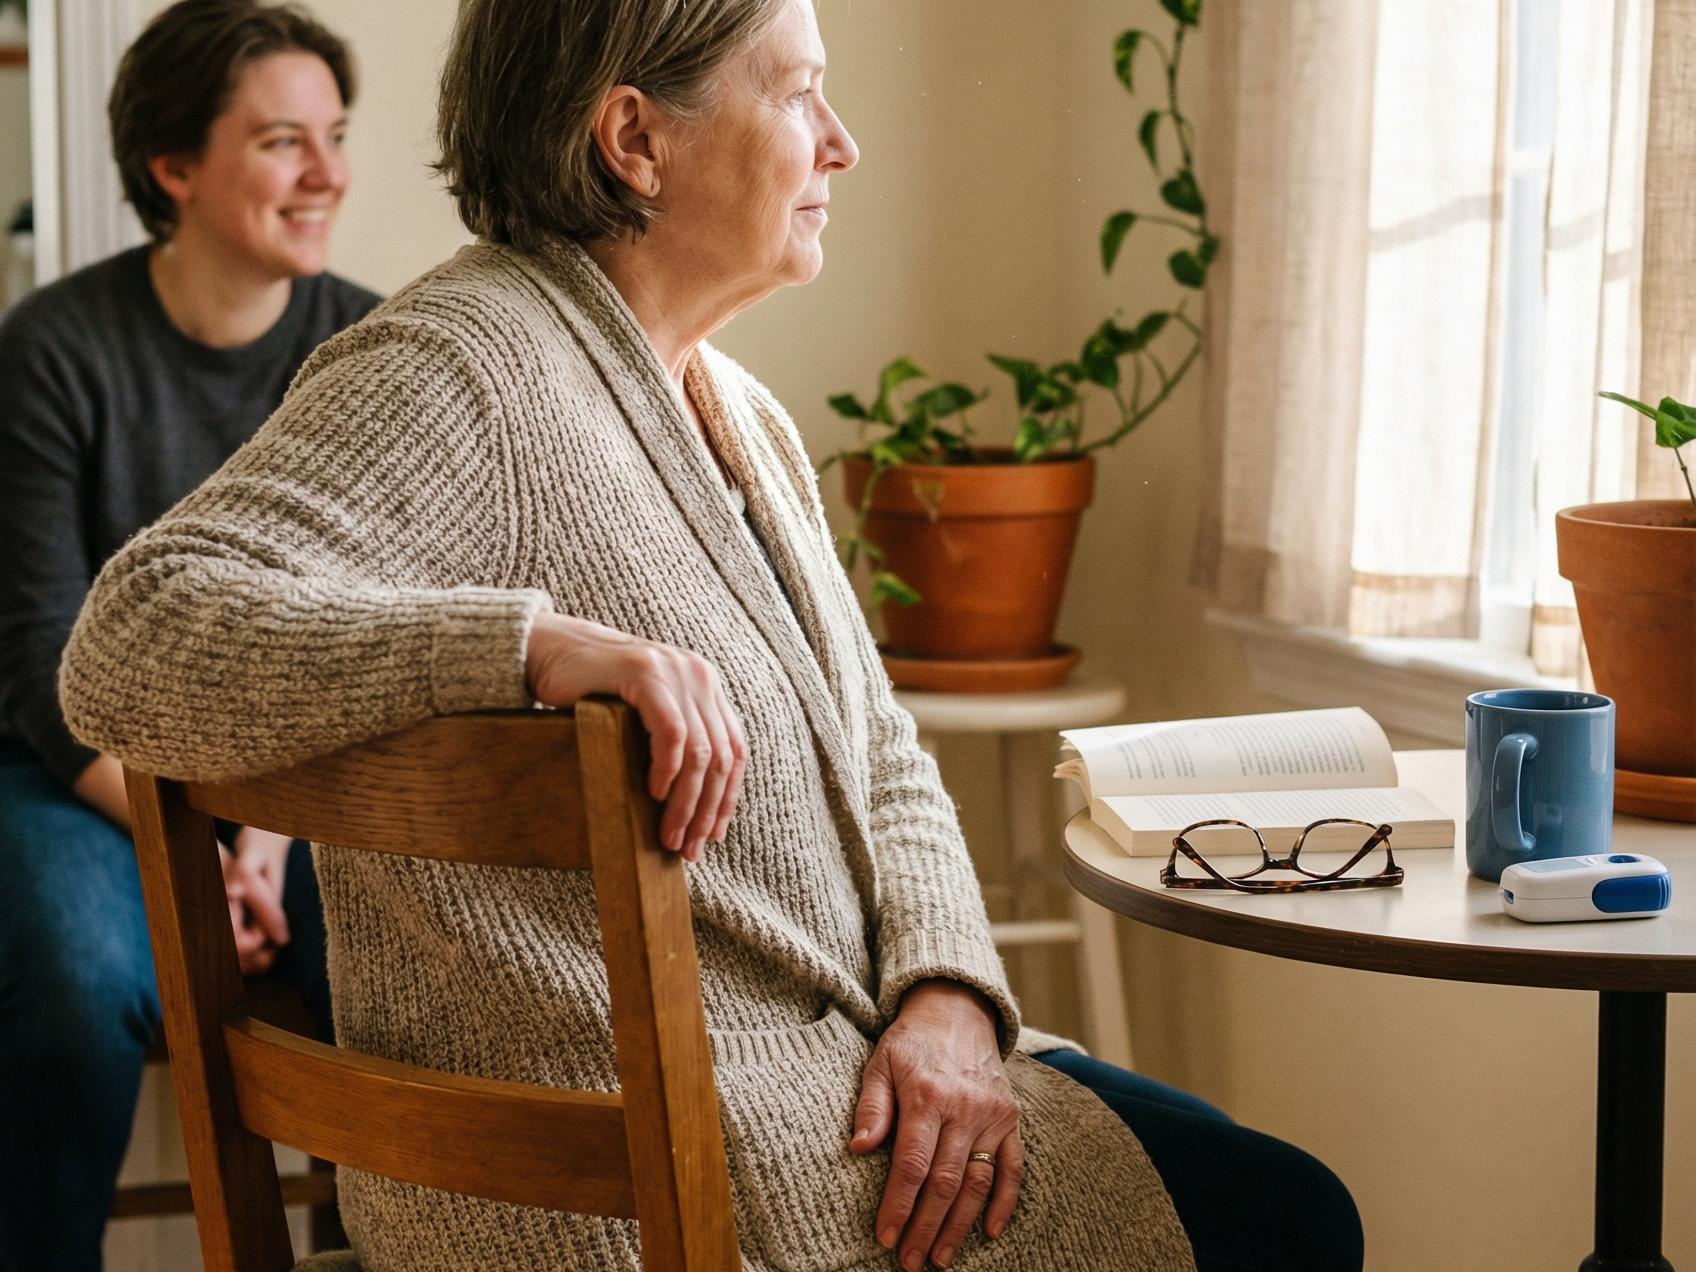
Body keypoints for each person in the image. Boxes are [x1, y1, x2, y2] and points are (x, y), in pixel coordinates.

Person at [59, 0, 1364, 1268]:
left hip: (824, 1083)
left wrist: (952, 1001)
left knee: (1252, 1182)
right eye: (798, 93)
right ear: (636, 140)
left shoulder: (740, 409)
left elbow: (888, 765)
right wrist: (528, 648)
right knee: (1288, 1217)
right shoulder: (459, 366)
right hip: (666, 1175)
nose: (841, 141)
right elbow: (129, 641)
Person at [0, 3, 378, 1267]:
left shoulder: (370, 351)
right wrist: (190, 855)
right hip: (81, 778)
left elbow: (366, 639)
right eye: (283, 141)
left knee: (401, 975)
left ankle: (374, 1250)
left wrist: (261, 846)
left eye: (334, 135)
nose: (329, 173)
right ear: (174, 168)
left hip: (312, 782)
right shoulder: (52, 351)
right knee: (73, 985)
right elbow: (36, 661)